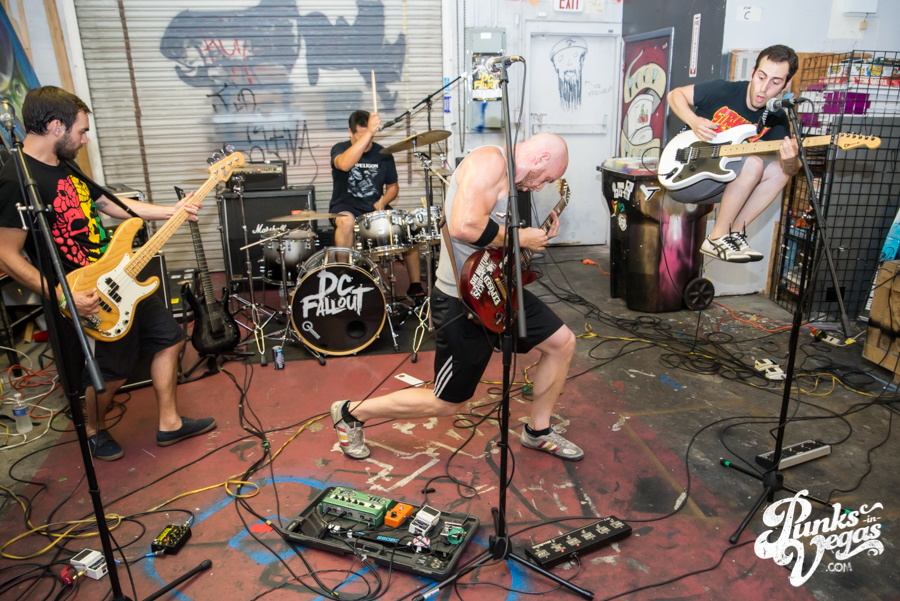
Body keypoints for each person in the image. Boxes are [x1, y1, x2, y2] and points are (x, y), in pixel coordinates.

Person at [330, 133, 584, 462]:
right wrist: (521, 237)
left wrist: (532, 238)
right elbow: (464, 227)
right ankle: (351, 412)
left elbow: (496, 239)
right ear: (540, 158)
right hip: (463, 300)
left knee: (562, 343)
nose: (540, 187)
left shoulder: (512, 179)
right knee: (447, 403)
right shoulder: (489, 162)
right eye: (546, 178)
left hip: (497, 289)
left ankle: (538, 431)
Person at [0, 86, 215, 461]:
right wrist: (63, 295)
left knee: (169, 338)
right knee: (113, 372)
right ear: (55, 127)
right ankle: (94, 430)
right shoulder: (15, 180)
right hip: (85, 293)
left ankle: (170, 423)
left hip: (120, 275)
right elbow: (6, 254)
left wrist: (172, 211)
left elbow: (106, 202)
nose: (85, 139)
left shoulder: (63, 162)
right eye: (81, 131)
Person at [667, 44, 801, 263]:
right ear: (752, 72)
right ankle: (716, 237)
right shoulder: (724, 90)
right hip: (684, 173)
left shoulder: (777, 120)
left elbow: (792, 170)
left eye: (775, 82)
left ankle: (733, 233)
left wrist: (791, 161)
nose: (763, 88)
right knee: (753, 163)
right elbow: (675, 95)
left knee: (779, 171)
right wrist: (694, 120)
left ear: (786, 85)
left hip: (719, 181)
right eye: (761, 77)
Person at [329, 110, 423, 298]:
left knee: (408, 225)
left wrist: (383, 201)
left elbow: (393, 186)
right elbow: (344, 165)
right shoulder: (340, 149)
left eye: (371, 136)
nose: (367, 141)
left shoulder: (383, 153)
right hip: (346, 206)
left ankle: (415, 286)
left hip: (374, 207)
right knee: (346, 221)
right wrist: (369, 133)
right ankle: (343, 277)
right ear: (350, 132)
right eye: (362, 136)